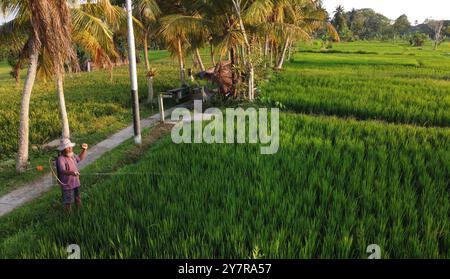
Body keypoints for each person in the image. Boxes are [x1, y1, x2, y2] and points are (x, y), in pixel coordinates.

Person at [56, 138, 88, 212]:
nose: (70, 148)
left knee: (78, 198)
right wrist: (72, 173)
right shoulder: (61, 159)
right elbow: (62, 170)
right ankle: (68, 218)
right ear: (63, 149)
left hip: (76, 182)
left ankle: (79, 212)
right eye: (68, 147)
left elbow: (79, 158)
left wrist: (84, 150)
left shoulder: (72, 155)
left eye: (70, 146)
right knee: (68, 203)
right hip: (67, 185)